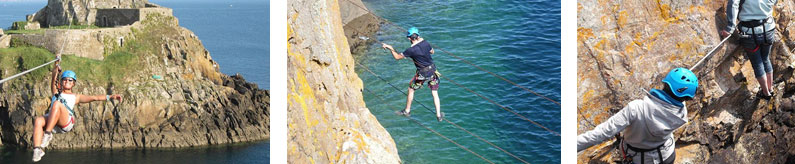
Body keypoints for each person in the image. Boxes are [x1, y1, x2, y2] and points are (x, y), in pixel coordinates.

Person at [577, 68, 698, 164]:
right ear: (687, 98)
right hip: (666, 155)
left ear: (665, 84)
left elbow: (602, 133)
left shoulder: (636, 108)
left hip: (639, 159)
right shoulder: (682, 112)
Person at [32, 55, 123, 162]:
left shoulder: (76, 97)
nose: (67, 81)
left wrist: (110, 97)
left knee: (56, 104)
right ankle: (38, 149)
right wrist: (56, 64)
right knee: (38, 120)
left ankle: (47, 134)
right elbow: (54, 77)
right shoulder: (56, 92)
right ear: (61, 81)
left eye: (70, 80)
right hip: (53, 120)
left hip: (66, 122)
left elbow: (94, 97)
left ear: (73, 83)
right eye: (65, 80)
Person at [381, 27, 443, 121]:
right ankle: (438, 115)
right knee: (434, 93)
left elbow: (397, 57)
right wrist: (422, 42)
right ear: (418, 36)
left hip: (422, 73)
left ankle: (407, 111)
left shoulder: (410, 50)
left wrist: (391, 48)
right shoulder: (425, 43)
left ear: (409, 38)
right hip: (433, 71)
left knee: (411, 89)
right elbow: (432, 52)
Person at [721, 0, 778, 98]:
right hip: (768, 29)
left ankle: (766, 93)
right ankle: (770, 89)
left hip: (750, 33)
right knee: (765, 58)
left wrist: (730, 27)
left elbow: (733, 4)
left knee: (757, 63)